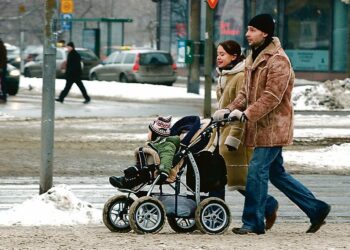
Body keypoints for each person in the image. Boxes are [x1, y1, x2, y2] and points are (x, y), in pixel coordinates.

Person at [213, 13, 331, 235]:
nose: (247, 34)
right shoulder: (253, 58)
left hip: (274, 127)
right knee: (277, 173)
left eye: (252, 30)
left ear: (265, 33)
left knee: (256, 171)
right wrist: (229, 109)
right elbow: (246, 92)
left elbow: (272, 97)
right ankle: (316, 209)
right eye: (248, 29)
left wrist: (246, 114)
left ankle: (253, 222)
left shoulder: (278, 60)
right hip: (259, 127)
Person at [210, 40, 279, 230]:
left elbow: (243, 107)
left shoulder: (240, 76)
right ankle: (215, 215)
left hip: (235, 138)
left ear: (234, 56)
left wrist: (233, 137)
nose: (219, 57)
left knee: (239, 181)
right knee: (220, 176)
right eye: (218, 53)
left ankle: (269, 205)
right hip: (222, 134)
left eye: (223, 54)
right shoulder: (225, 76)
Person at [109, 116, 180, 189]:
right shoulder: (156, 144)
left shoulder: (167, 146)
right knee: (132, 170)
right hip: (148, 167)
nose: (148, 134)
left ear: (156, 135)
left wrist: (164, 171)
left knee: (141, 174)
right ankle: (124, 180)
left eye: (150, 132)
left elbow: (167, 159)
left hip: (157, 171)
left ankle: (127, 183)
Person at [0, 39, 7, 103]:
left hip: (1, 67)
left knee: (3, 82)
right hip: (2, 66)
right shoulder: (2, 45)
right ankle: (3, 96)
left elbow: (3, 57)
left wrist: (1, 67)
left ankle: (3, 96)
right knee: (3, 82)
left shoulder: (1, 45)